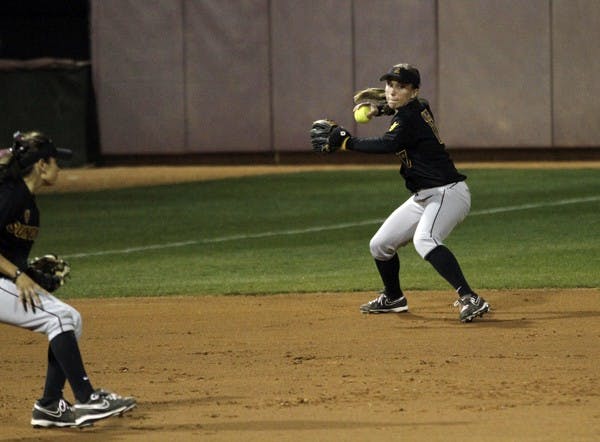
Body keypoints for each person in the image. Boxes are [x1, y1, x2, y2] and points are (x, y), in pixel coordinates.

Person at [324, 64, 489, 322]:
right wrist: (382, 108)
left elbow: (388, 144)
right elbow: (408, 107)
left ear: (413, 91)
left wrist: (347, 142)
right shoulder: (418, 106)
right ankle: (393, 298)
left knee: (425, 240)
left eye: (401, 86)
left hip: (447, 192)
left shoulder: (408, 118)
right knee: (380, 245)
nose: (392, 90)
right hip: (425, 196)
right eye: (390, 85)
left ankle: (470, 297)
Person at [0, 131, 136, 428]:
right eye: (55, 161)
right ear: (41, 165)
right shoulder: (9, 195)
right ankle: (87, 399)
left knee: (71, 319)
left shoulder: (28, 205)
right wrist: (19, 275)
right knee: (59, 317)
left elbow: (9, 254)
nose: (59, 168)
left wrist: (30, 272)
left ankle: (49, 405)